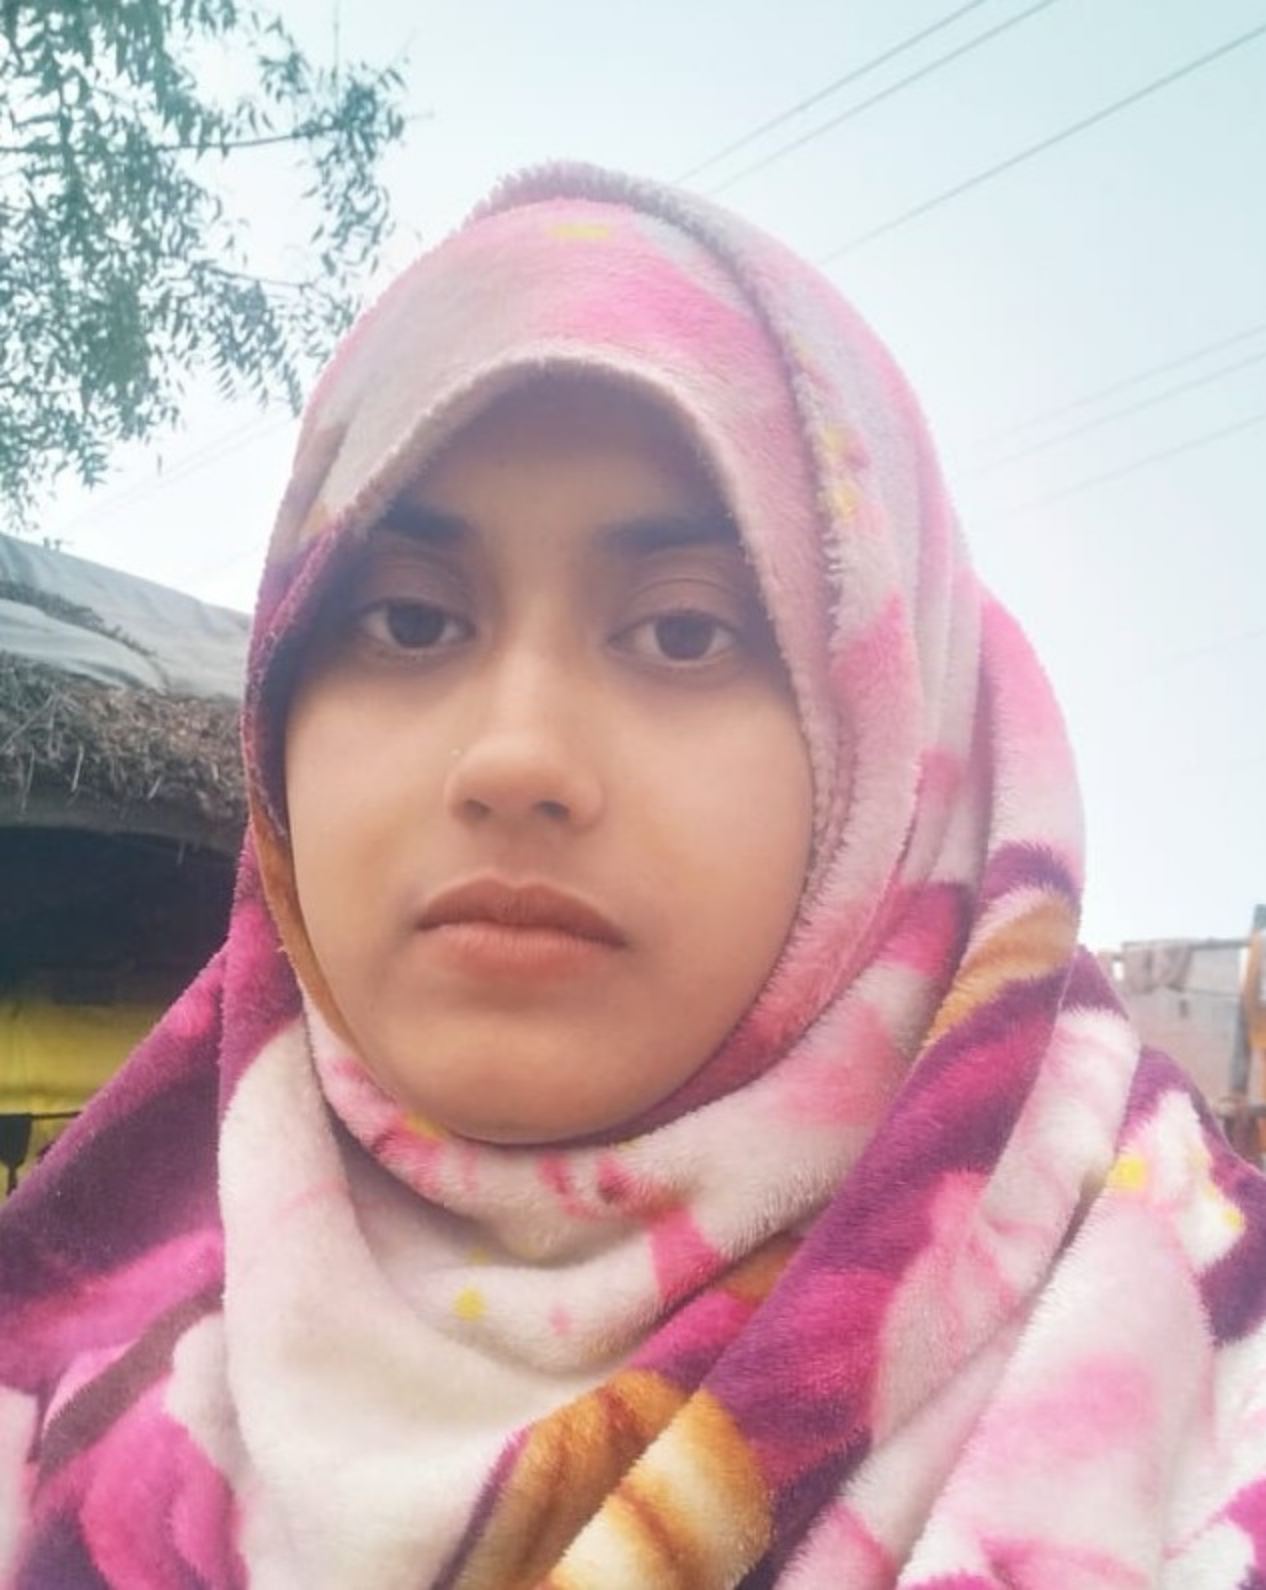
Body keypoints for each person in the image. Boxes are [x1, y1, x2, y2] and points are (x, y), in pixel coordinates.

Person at [2, 163, 1264, 1589]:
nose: (516, 758)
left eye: (682, 633)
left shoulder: (1195, 1386)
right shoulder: (64, 1357)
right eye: (409, 621)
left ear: (893, 751)